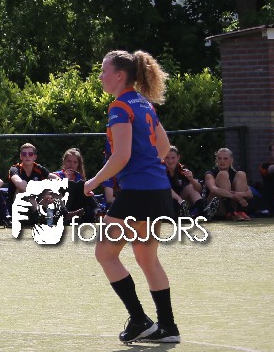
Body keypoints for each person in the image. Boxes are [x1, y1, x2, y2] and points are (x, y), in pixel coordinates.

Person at [83, 50, 181, 344]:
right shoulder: (144, 104)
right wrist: (146, 166)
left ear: (119, 75)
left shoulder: (119, 107)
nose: (101, 76)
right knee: (147, 260)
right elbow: (164, 147)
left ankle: (139, 319)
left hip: (138, 192)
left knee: (105, 254)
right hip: (157, 189)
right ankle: (168, 328)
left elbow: (121, 155)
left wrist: (93, 182)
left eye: (104, 71)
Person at [203, 148, 253, 221]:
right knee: (223, 174)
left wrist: (241, 194)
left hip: (234, 205)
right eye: (219, 158)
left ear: (231, 160)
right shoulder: (210, 173)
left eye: (225, 158)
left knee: (241, 174)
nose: (222, 161)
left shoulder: (235, 174)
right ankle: (230, 213)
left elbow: (250, 194)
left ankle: (239, 212)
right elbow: (213, 189)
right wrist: (236, 197)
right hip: (214, 205)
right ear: (216, 160)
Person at [7, 142, 51, 224]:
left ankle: (56, 215)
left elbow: (55, 178)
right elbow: (19, 184)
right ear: (21, 157)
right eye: (24, 154)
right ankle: (38, 215)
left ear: (35, 157)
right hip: (17, 206)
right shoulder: (15, 169)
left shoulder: (39, 168)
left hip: (35, 203)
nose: (27, 156)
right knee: (21, 189)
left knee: (49, 193)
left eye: (30, 154)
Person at [54, 147, 96, 222]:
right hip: (62, 206)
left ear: (78, 164)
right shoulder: (56, 175)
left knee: (83, 186)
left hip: (77, 206)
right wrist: (67, 179)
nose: (71, 164)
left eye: (75, 162)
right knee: (71, 184)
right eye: (69, 161)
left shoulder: (79, 177)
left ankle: (97, 210)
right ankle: (67, 215)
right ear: (64, 162)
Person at [163, 146, 204, 215]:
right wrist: (179, 199)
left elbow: (199, 189)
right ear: (163, 158)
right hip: (167, 200)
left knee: (190, 187)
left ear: (178, 157)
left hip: (182, 201)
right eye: (167, 158)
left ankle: (203, 210)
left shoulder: (182, 169)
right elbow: (166, 188)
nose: (170, 161)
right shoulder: (160, 169)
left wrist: (192, 180)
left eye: (173, 158)